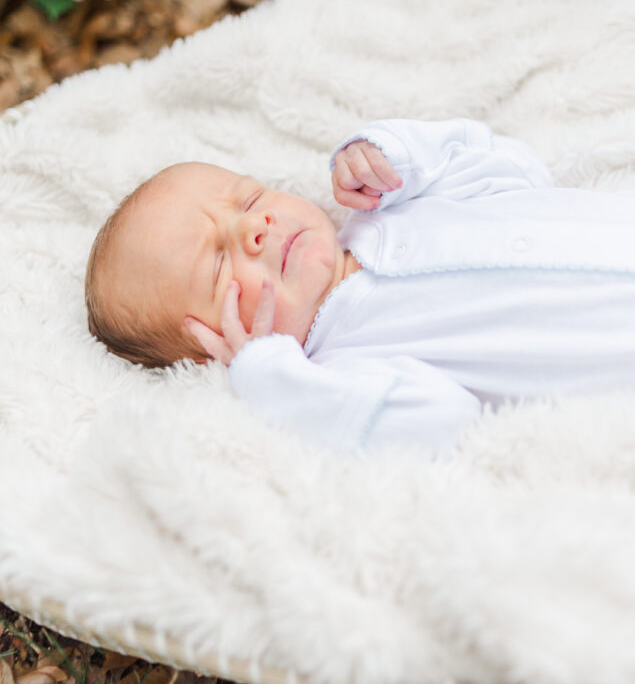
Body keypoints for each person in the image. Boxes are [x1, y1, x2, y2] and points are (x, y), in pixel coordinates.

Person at [86, 119, 635, 454]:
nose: (254, 228)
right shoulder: (345, 369)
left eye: (249, 200)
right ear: (213, 352)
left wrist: (396, 153)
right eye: (218, 264)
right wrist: (269, 375)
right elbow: (443, 425)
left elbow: (515, 172)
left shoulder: (391, 205)